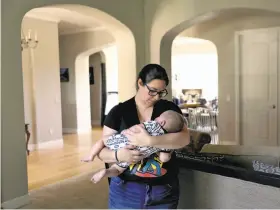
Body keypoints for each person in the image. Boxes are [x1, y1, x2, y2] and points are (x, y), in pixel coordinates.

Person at [97, 64, 190, 209]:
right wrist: (120, 155)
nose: (156, 97)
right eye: (152, 91)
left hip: (164, 192)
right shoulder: (118, 112)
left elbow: (184, 139)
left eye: (161, 92)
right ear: (140, 83)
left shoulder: (169, 110)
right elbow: (102, 151)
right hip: (126, 191)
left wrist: (149, 141)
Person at [82, 110, 184, 183]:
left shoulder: (154, 124)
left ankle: (91, 155)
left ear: (162, 122)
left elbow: (139, 127)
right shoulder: (166, 141)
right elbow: (164, 158)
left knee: (103, 140)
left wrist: (127, 131)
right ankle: (106, 172)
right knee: (118, 170)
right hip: (134, 156)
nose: (156, 118)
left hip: (126, 142)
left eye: (159, 117)